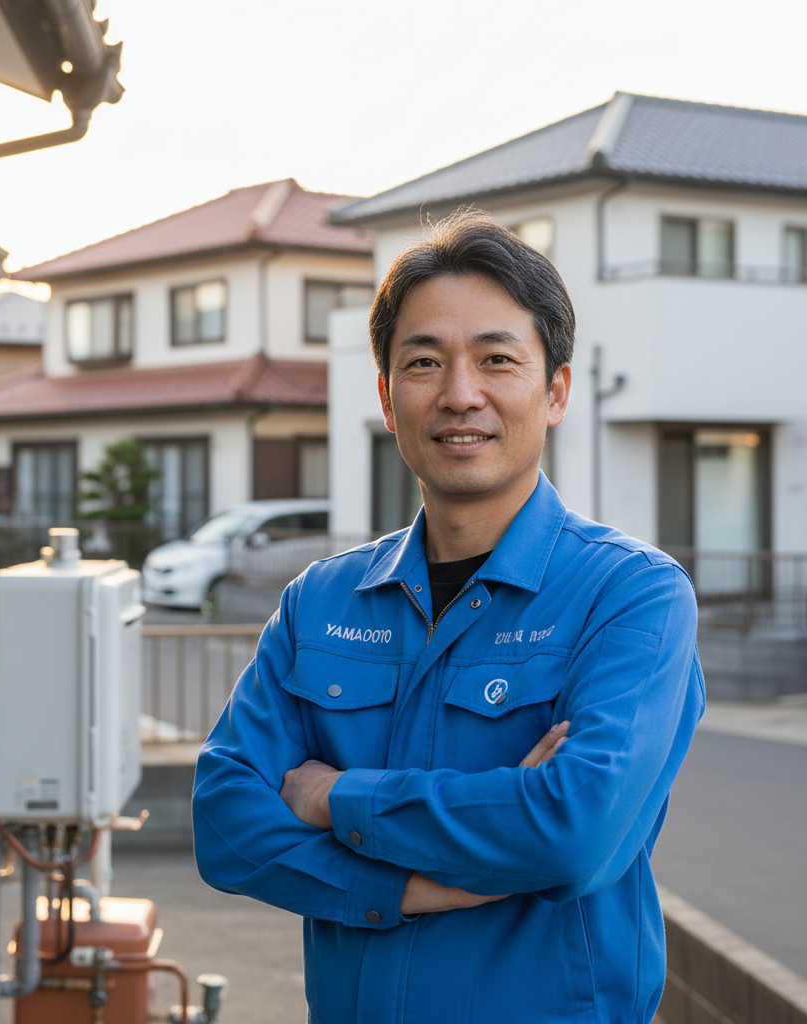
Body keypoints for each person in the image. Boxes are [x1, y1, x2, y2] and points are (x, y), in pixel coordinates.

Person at [193, 209, 704, 1024]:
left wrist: (337, 798)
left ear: (556, 391)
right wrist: (406, 887)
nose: (461, 394)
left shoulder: (631, 595)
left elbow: (574, 832)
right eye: (424, 362)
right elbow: (224, 821)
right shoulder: (320, 602)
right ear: (388, 399)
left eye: (498, 359)